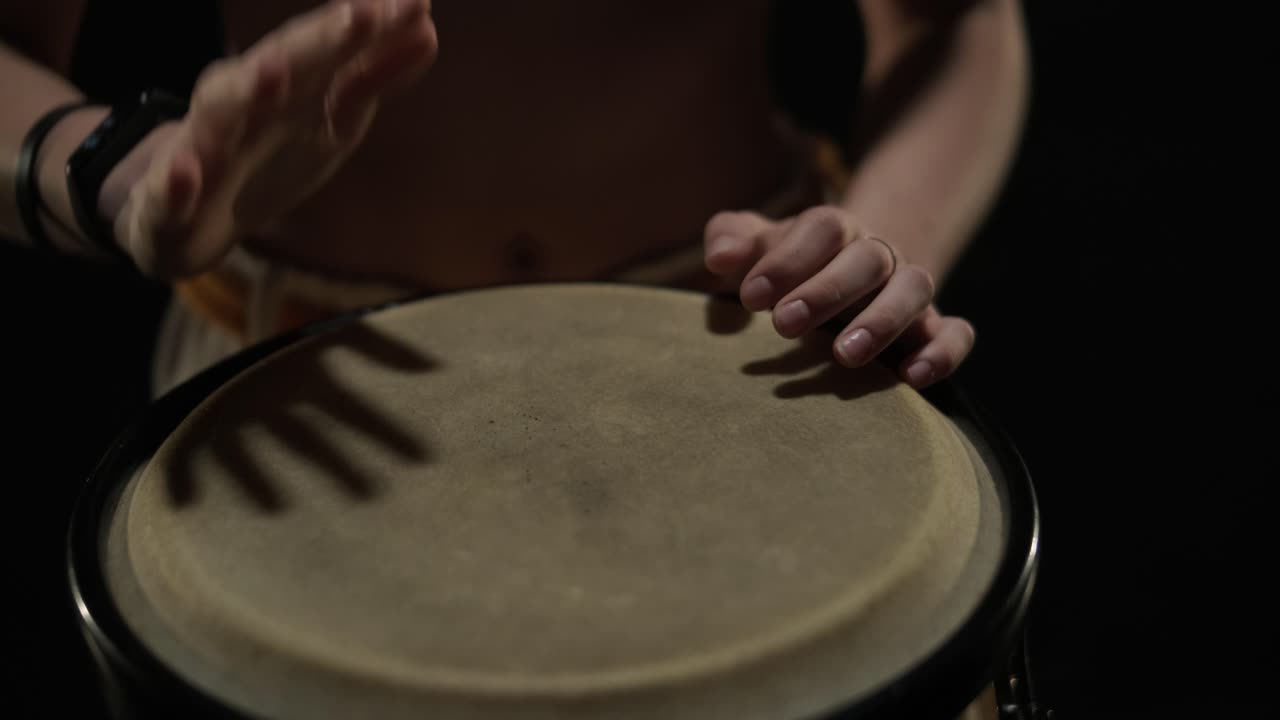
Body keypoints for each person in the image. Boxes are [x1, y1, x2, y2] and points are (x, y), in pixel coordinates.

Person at [2, 0, 1027, 397]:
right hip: (288, 379)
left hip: (755, 346)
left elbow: (949, 19)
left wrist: (874, 244)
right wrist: (123, 170)